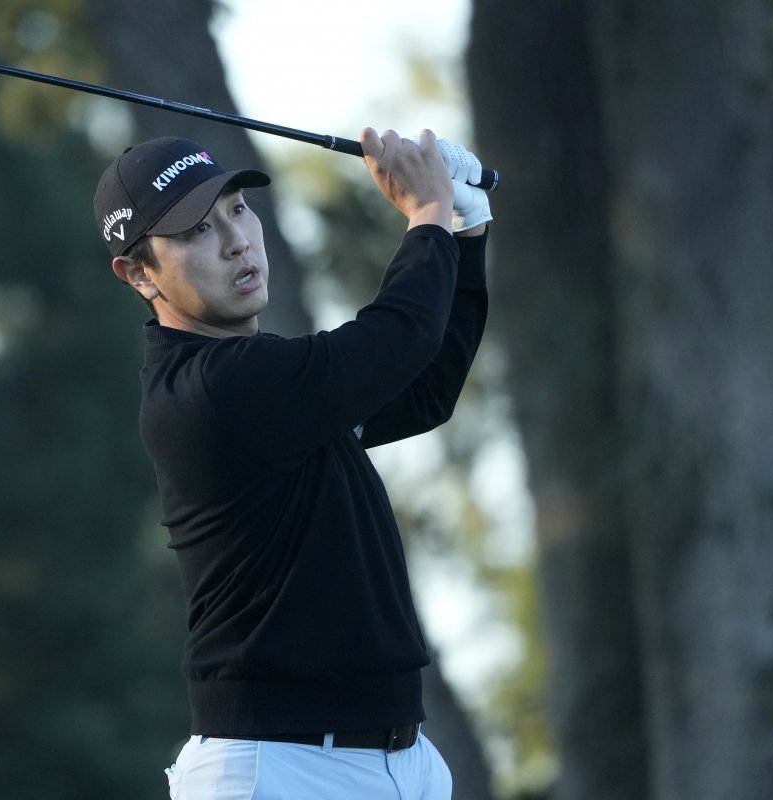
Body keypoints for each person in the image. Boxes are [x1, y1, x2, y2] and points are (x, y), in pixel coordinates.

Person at [92, 128, 491, 799]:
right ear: (138, 274)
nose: (237, 241)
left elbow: (423, 388)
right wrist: (426, 214)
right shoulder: (211, 391)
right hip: (277, 771)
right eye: (194, 232)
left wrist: (465, 231)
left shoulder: (273, 385)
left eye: (238, 210)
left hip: (402, 759)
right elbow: (396, 338)